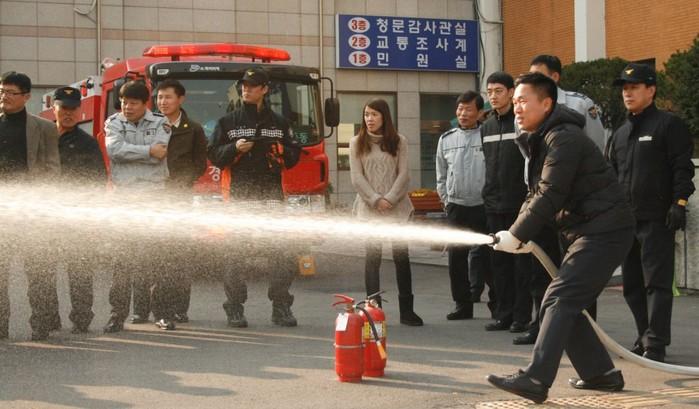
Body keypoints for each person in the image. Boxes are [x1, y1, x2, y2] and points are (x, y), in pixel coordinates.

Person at [486, 72, 635, 403]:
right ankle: (601, 374)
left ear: (547, 103)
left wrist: (517, 233)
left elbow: (551, 192)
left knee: (559, 299)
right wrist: (513, 234)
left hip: (605, 230)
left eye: (523, 101)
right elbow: (535, 194)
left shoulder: (563, 138)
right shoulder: (542, 139)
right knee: (564, 303)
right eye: (515, 102)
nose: (517, 108)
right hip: (586, 231)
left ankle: (535, 378)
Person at [607, 63, 695, 363]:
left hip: (657, 218)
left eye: (634, 87)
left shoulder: (668, 125)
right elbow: (611, 176)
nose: (627, 93)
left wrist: (679, 203)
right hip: (626, 220)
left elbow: (682, 168)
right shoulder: (620, 133)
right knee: (632, 285)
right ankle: (643, 336)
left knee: (656, 283)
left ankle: (656, 343)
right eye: (624, 88)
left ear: (651, 90)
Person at [517, 54, 606, 345]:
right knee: (543, 270)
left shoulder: (577, 109)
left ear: (554, 79)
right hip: (546, 204)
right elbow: (532, 163)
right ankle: (543, 326)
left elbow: (594, 148)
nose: (519, 107)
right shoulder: (527, 111)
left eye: (539, 75)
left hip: (576, 208)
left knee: (574, 279)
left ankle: (582, 336)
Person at [208, 66, 301, 328]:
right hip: (239, 200)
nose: (246, 89)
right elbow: (213, 155)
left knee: (283, 255)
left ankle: (281, 307)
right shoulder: (227, 122)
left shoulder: (280, 123)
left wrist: (280, 150)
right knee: (235, 257)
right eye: (244, 86)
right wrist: (234, 148)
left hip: (272, 200)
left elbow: (293, 156)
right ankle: (234, 308)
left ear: (265, 89)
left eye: (252, 86)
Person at [103, 80, 171, 333]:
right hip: (124, 200)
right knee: (121, 262)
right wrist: (147, 152)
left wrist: (137, 153)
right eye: (123, 102)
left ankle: (161, 314)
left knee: (156, 260)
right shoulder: (113, 122)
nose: (127, 107)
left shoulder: (161, 122)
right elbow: (114, 151)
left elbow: (160, 154)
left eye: (133, 103)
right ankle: (117, 315)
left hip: (154, 199)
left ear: (145, 104)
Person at [349, 98, 423, 326]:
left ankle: (407, 311)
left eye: (374, 114)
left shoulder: (399, 141)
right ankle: (374, 312)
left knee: (402, 258)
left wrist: (389, 199)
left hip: (397, 209)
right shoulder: (356, 142)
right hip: (369, 210)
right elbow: (356, 177)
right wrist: (375, 199)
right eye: (366, 114)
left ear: (384, 117)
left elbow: (404, 174)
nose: (369, 119)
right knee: (373, 259)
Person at [0, 71, 61, 341]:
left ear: (26, 96)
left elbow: (53, 169)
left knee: (38, 271)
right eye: (2, 91)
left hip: (31, 212)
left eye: (11, 92)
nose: (4, 96)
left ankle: (41, 324)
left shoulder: (44, 128)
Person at [149, 79, 207, 330]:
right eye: (159, 97)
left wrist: (179, 184)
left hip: (180, 201)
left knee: (179, 256)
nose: (162, 102)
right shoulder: (149, 125)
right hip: (153, 201)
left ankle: (179, 309)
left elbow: (199, 164)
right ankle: (160, 312)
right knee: (159, 257)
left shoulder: (193, 129)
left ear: (180, 99)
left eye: (168, 97)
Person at [53, 86, 107, 334]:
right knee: (43, 269)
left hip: (77, 218)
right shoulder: (42, 137)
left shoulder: (88, 143)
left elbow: (98, 180)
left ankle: (82, 318)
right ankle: (48, 317)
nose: (69, 113)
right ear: (54, 108)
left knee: (80, 270)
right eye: (64, 108)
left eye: (73, 109)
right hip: (45, 216)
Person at [435, 91, 493, 320]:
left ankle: (497, 304)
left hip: (482, 206)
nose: (463, 113)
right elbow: (441, 174)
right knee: (456, 260)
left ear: (479, 113)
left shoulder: (487, 135)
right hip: (456, 206)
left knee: (489, 257)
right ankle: (462, 305)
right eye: (460, 109)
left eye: (469, 109)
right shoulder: (446, 139)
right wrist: (446, 200)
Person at [480, 72, 531, 333]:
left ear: (511, 92)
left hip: (518, 204)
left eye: (498, 91)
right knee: (498, 263)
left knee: (520, 263)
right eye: (489, 92)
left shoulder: (521, 122)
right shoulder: (487, 126)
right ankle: (504, 314)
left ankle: (522, 317)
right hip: (493, 204)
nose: (493, 96)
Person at [529, 54, 606, 151]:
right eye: (530, 76)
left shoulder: (580, 104)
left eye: (538, 76)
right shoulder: (526, 106)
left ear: (555, 77)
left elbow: (596, 143)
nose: (532, 81)